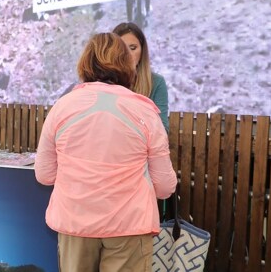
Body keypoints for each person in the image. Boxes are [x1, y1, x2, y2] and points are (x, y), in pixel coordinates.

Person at [35, 33, 177, 272]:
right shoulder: (145, 111)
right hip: (129, 228)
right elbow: (165, 186)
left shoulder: (62, 107)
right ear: (127, 64)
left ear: (85, 62)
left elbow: (44, 175)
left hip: (75, 225)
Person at [113, 22, 169, 130]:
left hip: (143, 145)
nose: (128, 54)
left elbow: (162, 130)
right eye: (122, 49)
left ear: (142, 50)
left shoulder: (156, 82)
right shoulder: (103, 83)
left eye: (133, 48)